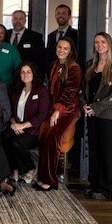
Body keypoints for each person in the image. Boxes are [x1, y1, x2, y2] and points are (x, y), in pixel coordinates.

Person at [82, 32, 112, 201]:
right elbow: (83, 89)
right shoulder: (90, 64)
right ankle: (94, 183)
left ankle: (106, 188)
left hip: (110, 116)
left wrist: (96, 107)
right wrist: (85, 105)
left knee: (108, 152)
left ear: (109, 44)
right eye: (96, 42)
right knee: (94, 150)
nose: (99, 45)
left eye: (103, 42)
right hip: (92, 114)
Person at [36, 37, 82, 191]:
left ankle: (51, 180)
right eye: (59, 47)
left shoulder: (74, 68)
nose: (61, 50)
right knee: (42, 134)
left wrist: (58, 110)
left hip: (67, 110)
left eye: (65, 48)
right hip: (53, 108)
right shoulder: (54, 65)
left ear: (71, 51)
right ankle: (42, 176)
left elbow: (71, 92)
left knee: (52, 138)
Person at [1, 62, 50, 184]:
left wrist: (22, 125)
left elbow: (42, 115)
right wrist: (13, 124)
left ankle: (30, 168)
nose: (25, 74)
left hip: (33, 129)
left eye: (28, 72)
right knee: (4, 137)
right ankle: (14, 169)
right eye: (22, 72)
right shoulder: (16, 90)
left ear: (34, 73)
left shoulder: (41, 90)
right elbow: (10, 111)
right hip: (16, 125)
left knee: (17, 142)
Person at [4, 10, 45, 74]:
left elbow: (40, 60)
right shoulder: (4, 35)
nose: (18, 21)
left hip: (26, 75)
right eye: (15, 18)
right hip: (6, 75)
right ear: (11, 21)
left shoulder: (35, 37)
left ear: (25, 21)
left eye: (20, 19)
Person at [45, 4, 78, 73]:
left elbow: (77, 55)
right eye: (58, 13)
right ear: (55, 16)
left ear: (69, 16)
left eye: (64, 13)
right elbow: (48, 56)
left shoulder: (77, 34)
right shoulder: (51, 36)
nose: (60, 15)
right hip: (53, 72)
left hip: (70, 72)